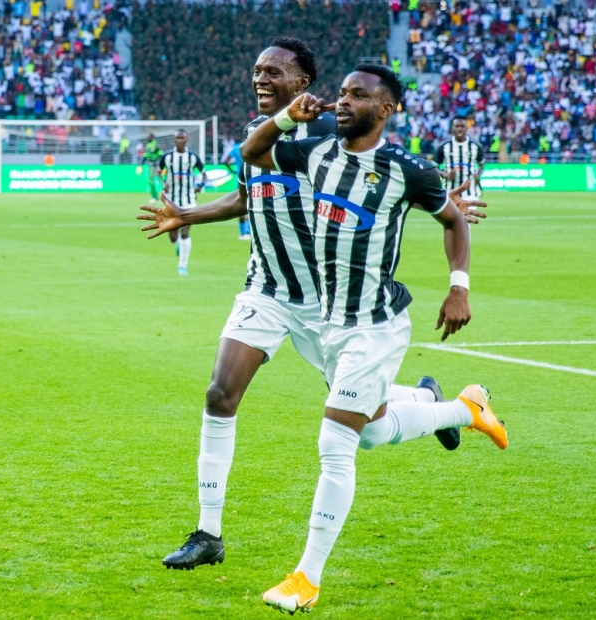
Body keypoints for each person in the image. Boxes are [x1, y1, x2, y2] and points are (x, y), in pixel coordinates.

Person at [136, 39, 497, 579]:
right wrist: (186, 214)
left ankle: (449, 408)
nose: (259, 79)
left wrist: (443, 206)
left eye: (272, 72)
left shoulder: (334, 135)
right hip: (264, 289)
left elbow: (385, 184)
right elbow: (245, 195)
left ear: (302, 83)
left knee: (368, 427)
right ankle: (208, 533)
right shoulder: (262, 135)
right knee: (220, 393)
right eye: (255, 70)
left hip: (325, 303)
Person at [240, 64, 507, 614]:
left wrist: (459, 287)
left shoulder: (406, 169)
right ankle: (463, 409)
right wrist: (290, 117)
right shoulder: (314, 153)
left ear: (386, 110)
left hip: (376, 325)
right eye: (340, 93)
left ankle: (305, 579)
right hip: (329, 322)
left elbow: (455, 222)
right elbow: (252, 151)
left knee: (335, 444)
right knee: (372, 431)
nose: (342, 101)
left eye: (357, 95)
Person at [158, 129, 205, 276]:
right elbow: (159, 171)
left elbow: (203, 174)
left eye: (182, 138)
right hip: (172, 201)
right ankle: (178, 244)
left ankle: (183, 266)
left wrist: (200, 186)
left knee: (185, 232)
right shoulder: (167, 157)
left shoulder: (192, 157)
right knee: (173, 236)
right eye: (177, 138)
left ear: (186, 140)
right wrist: (164, 183)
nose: (179, 140)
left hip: (189, 199)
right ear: (174, 140)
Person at [435, 117, 485, 199]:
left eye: (462, 126)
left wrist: (478, 175)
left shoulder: (475, 146)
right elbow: (434, 166)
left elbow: (482, 164)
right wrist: (446, 175)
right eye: (457, 126)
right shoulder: (443, 147)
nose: (460, 129)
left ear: (466, 128)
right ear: (452, 128)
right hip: (449, 193)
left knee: (469, 212)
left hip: (470, 193)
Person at [142, 133, 165, 204]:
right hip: (151, 166)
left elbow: (161, 154)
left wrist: (160, 164)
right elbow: (145, 156)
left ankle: (156, 197)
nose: (148, 138)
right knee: (157, 180)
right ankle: (155, 197)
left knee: (153, 180)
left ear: (152, 137)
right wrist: (141, 163)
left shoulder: (156, 145)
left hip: (156, 165)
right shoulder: (148, 146)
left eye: (149, 137)